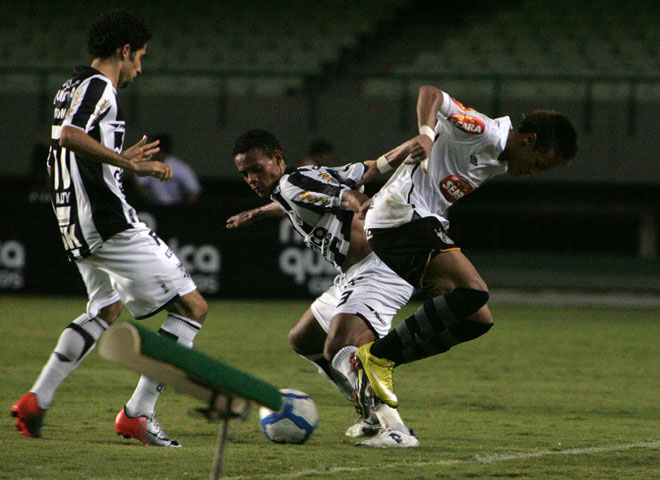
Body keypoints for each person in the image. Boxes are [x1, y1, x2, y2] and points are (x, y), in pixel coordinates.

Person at [11, 10, 209, 448]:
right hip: (106, 220)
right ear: (123, 52)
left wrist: (117, 157)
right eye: (139, 57)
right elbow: (67, 136)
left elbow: (68, 148)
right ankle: (138, 414)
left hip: (73, 219)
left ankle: (36, 401)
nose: (141, 67)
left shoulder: (71, 87)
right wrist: (128, 163)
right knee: (192, 308)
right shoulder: (101, 87)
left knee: (106, 309)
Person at [353, 85, 578, 411]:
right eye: (539, 164)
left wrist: (384, 192)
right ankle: (378, 357)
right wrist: (426, 135)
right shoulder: (485, 132)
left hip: (405, 219)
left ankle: (379, 365)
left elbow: (426, 170)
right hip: (403, 219)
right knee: (473, 291)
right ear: (528, 140)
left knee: (476, 319)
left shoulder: (497, 159)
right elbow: (431, 94)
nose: (532, 172)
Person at [226, 129, 420, 447]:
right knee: (305, 338)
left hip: (380, 268)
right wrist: (409, 147)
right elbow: (371, 167)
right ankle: (370, 414)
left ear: (277, 159)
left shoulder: (292, 183)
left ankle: (394, 429)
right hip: (355, 274)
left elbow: (346, 196)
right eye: (244, 173)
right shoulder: (303, 180)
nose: (251, 178)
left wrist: (361, 205)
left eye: (256, 169)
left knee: (342, 345)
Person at [134, 133, 202, 205]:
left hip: (175, 206)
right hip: (154, 206)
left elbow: (194, 190)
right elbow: (140, 185)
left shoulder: (179, 167)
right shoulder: (147, 164)